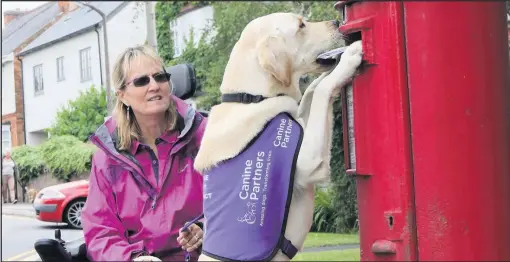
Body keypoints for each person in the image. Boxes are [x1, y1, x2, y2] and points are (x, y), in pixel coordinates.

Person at [81, 45, 207, 261]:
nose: (154, 85)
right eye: (142, 81)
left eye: (160, 77)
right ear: (122, 95)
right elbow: (100, 231)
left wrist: (205, 229)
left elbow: (230, 201)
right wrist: (133, 259)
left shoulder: (203, 135)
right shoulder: (107, 158)